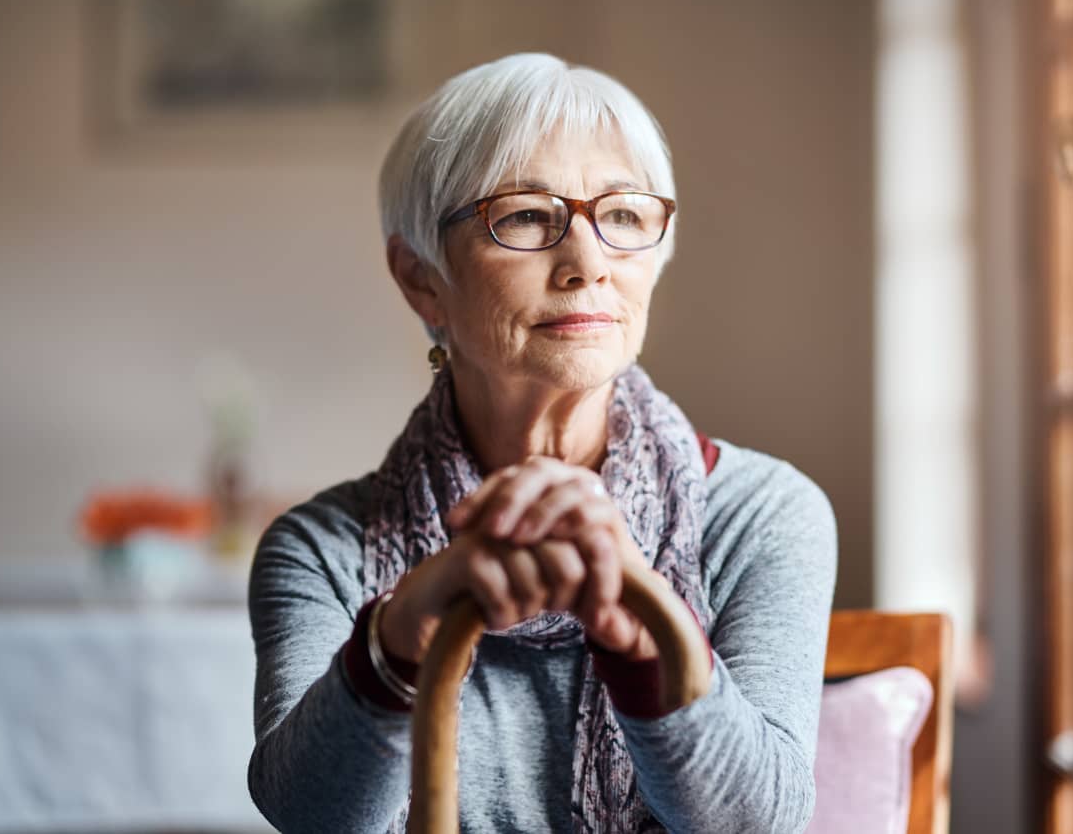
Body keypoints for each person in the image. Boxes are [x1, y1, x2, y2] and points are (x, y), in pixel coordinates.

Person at [246, 52, 837, 833]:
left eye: (624, 215)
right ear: (421, 278)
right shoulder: (320, 548)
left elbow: (757, 823)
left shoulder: (764, 512)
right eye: (524, 215)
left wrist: (637, 626)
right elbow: (313, 817)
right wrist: (404, 635)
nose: (588, 263)